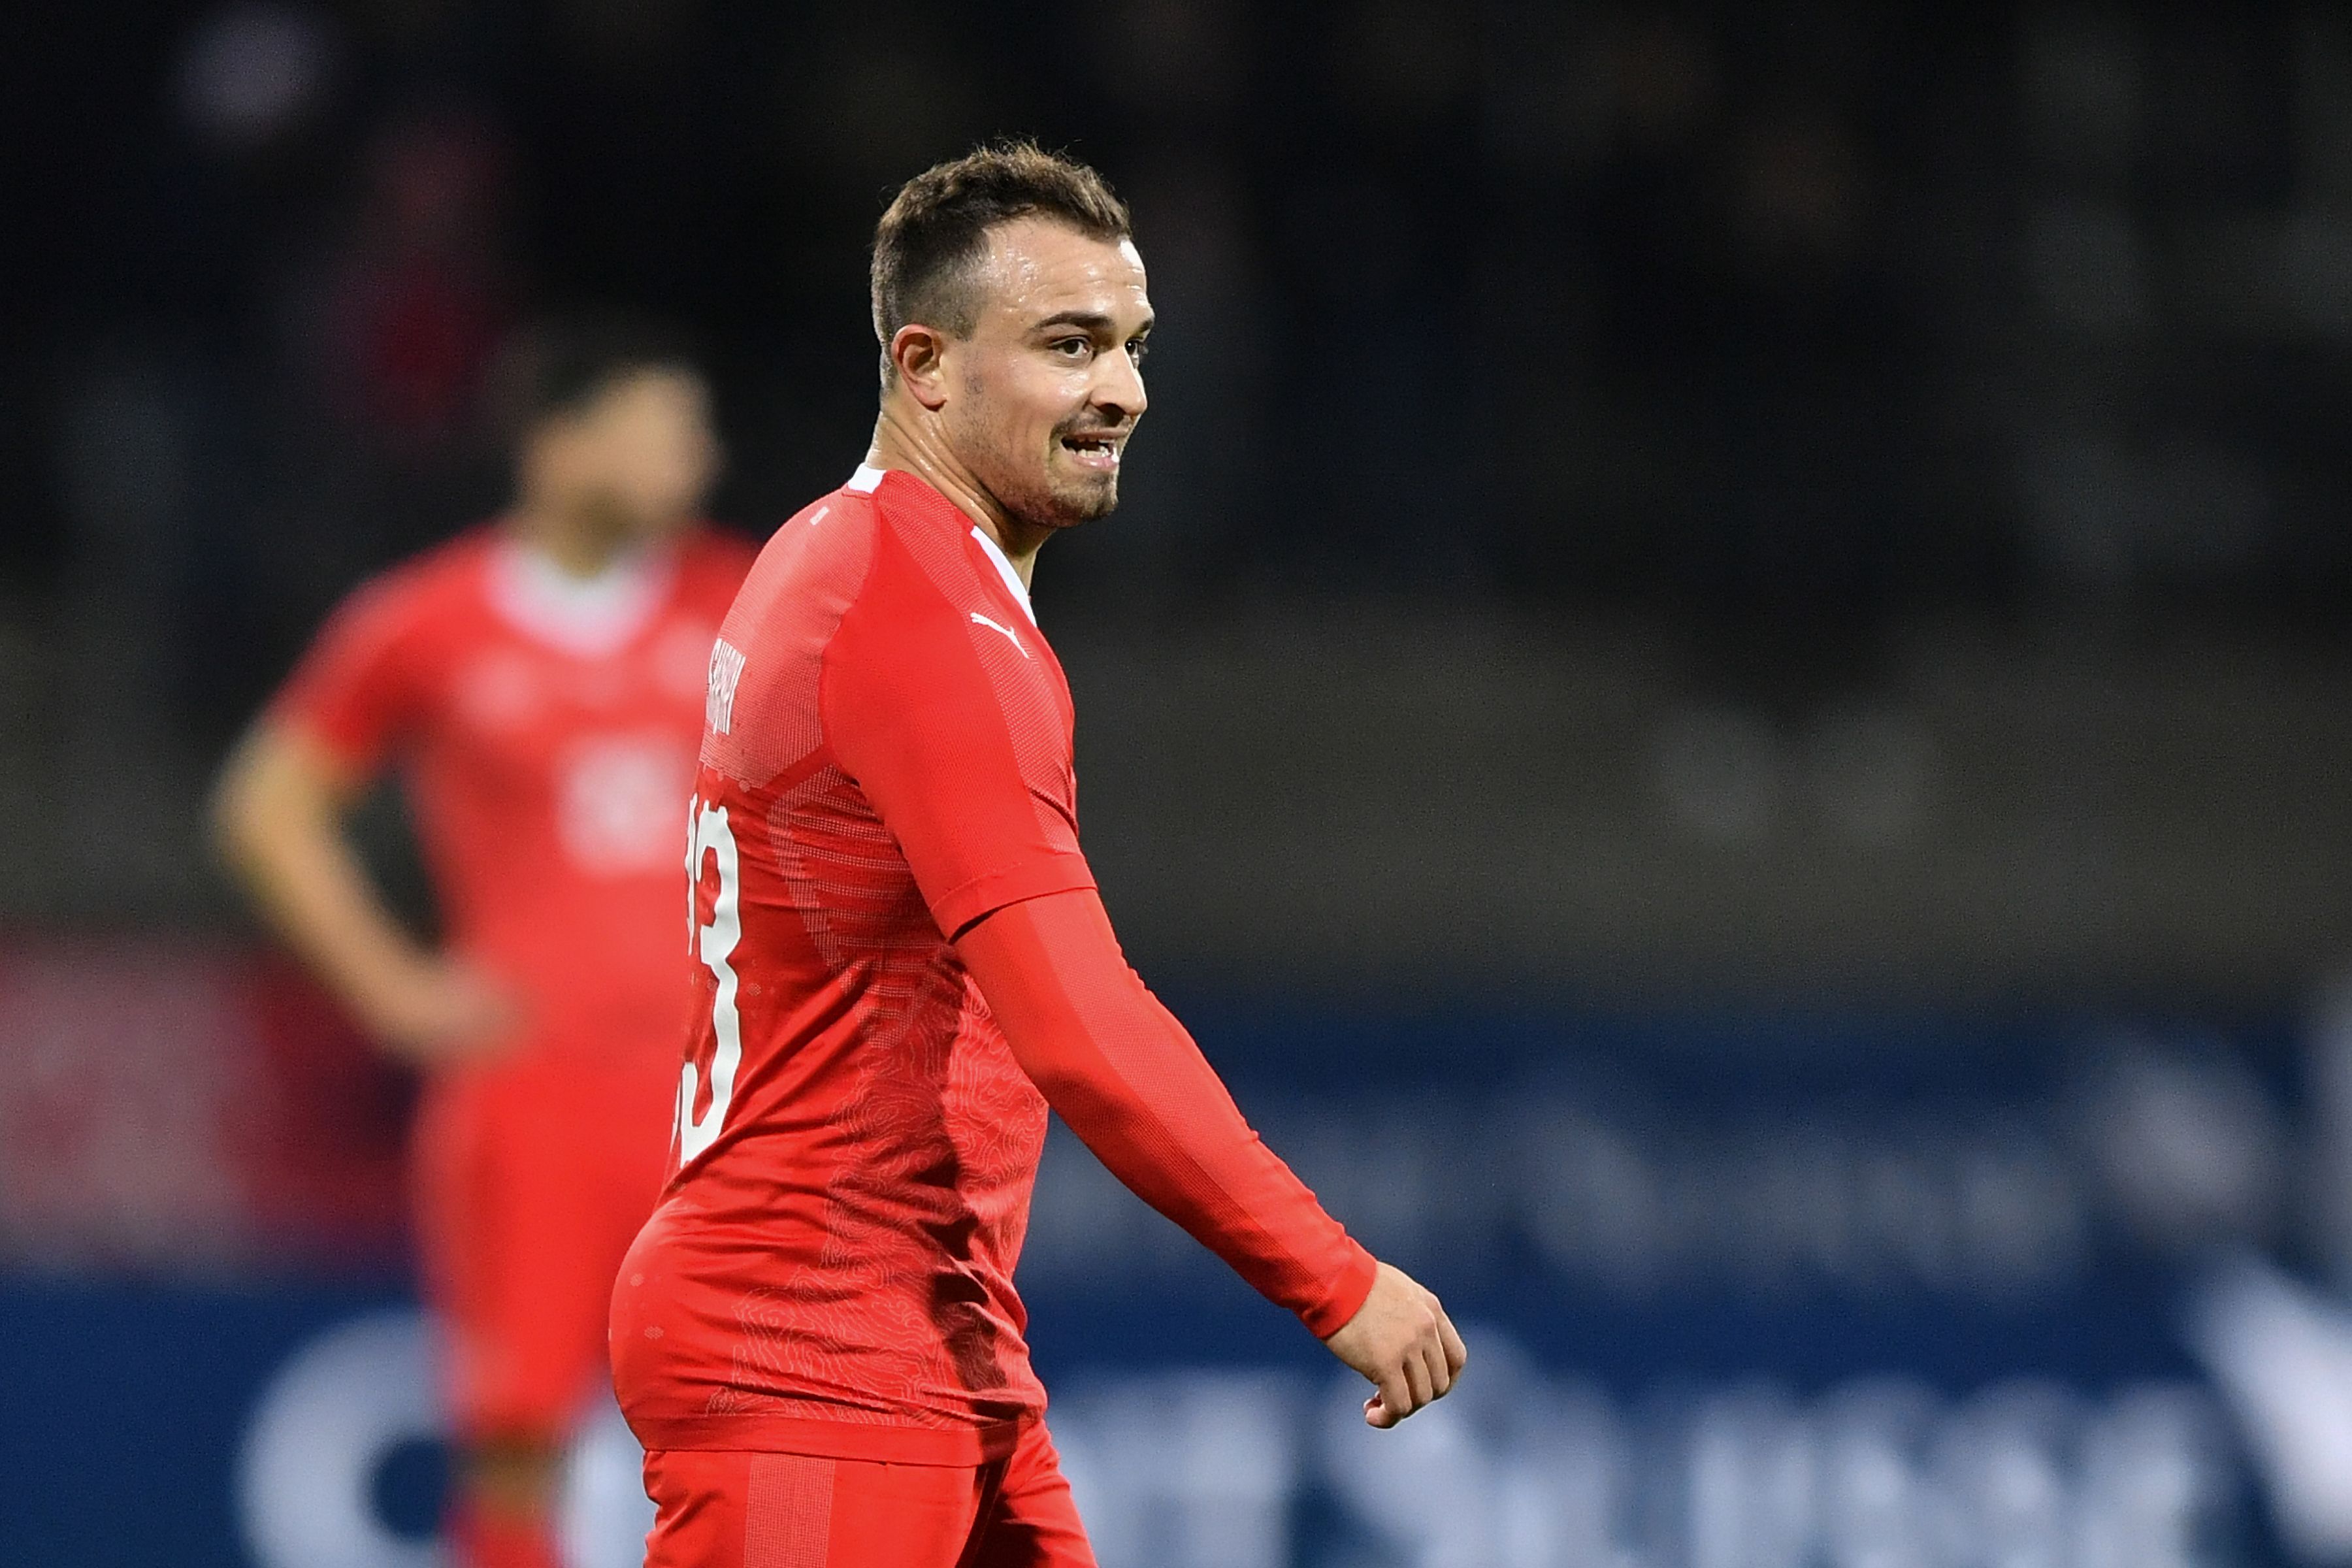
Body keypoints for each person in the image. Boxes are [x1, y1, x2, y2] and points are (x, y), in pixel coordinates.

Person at [610, 142, 1467, 1568]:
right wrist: (1336, 1281)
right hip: (814, 1343)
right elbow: (1080, 1029)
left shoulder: (851, 557)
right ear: (926, 365)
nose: (1122, 391)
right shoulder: (924, 619)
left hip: (921, 1330)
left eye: (1132, 346)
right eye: (1070, 346)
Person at [213, 318, 757, 1568]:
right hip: (535, 1093)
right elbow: (266, 809)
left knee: (758, 1424)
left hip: (719, 1091)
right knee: (517, 1434)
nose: (696, 458)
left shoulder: (748, 597)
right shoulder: (429, 623)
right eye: (662, 429)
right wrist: (396, 991)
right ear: (561, 447)